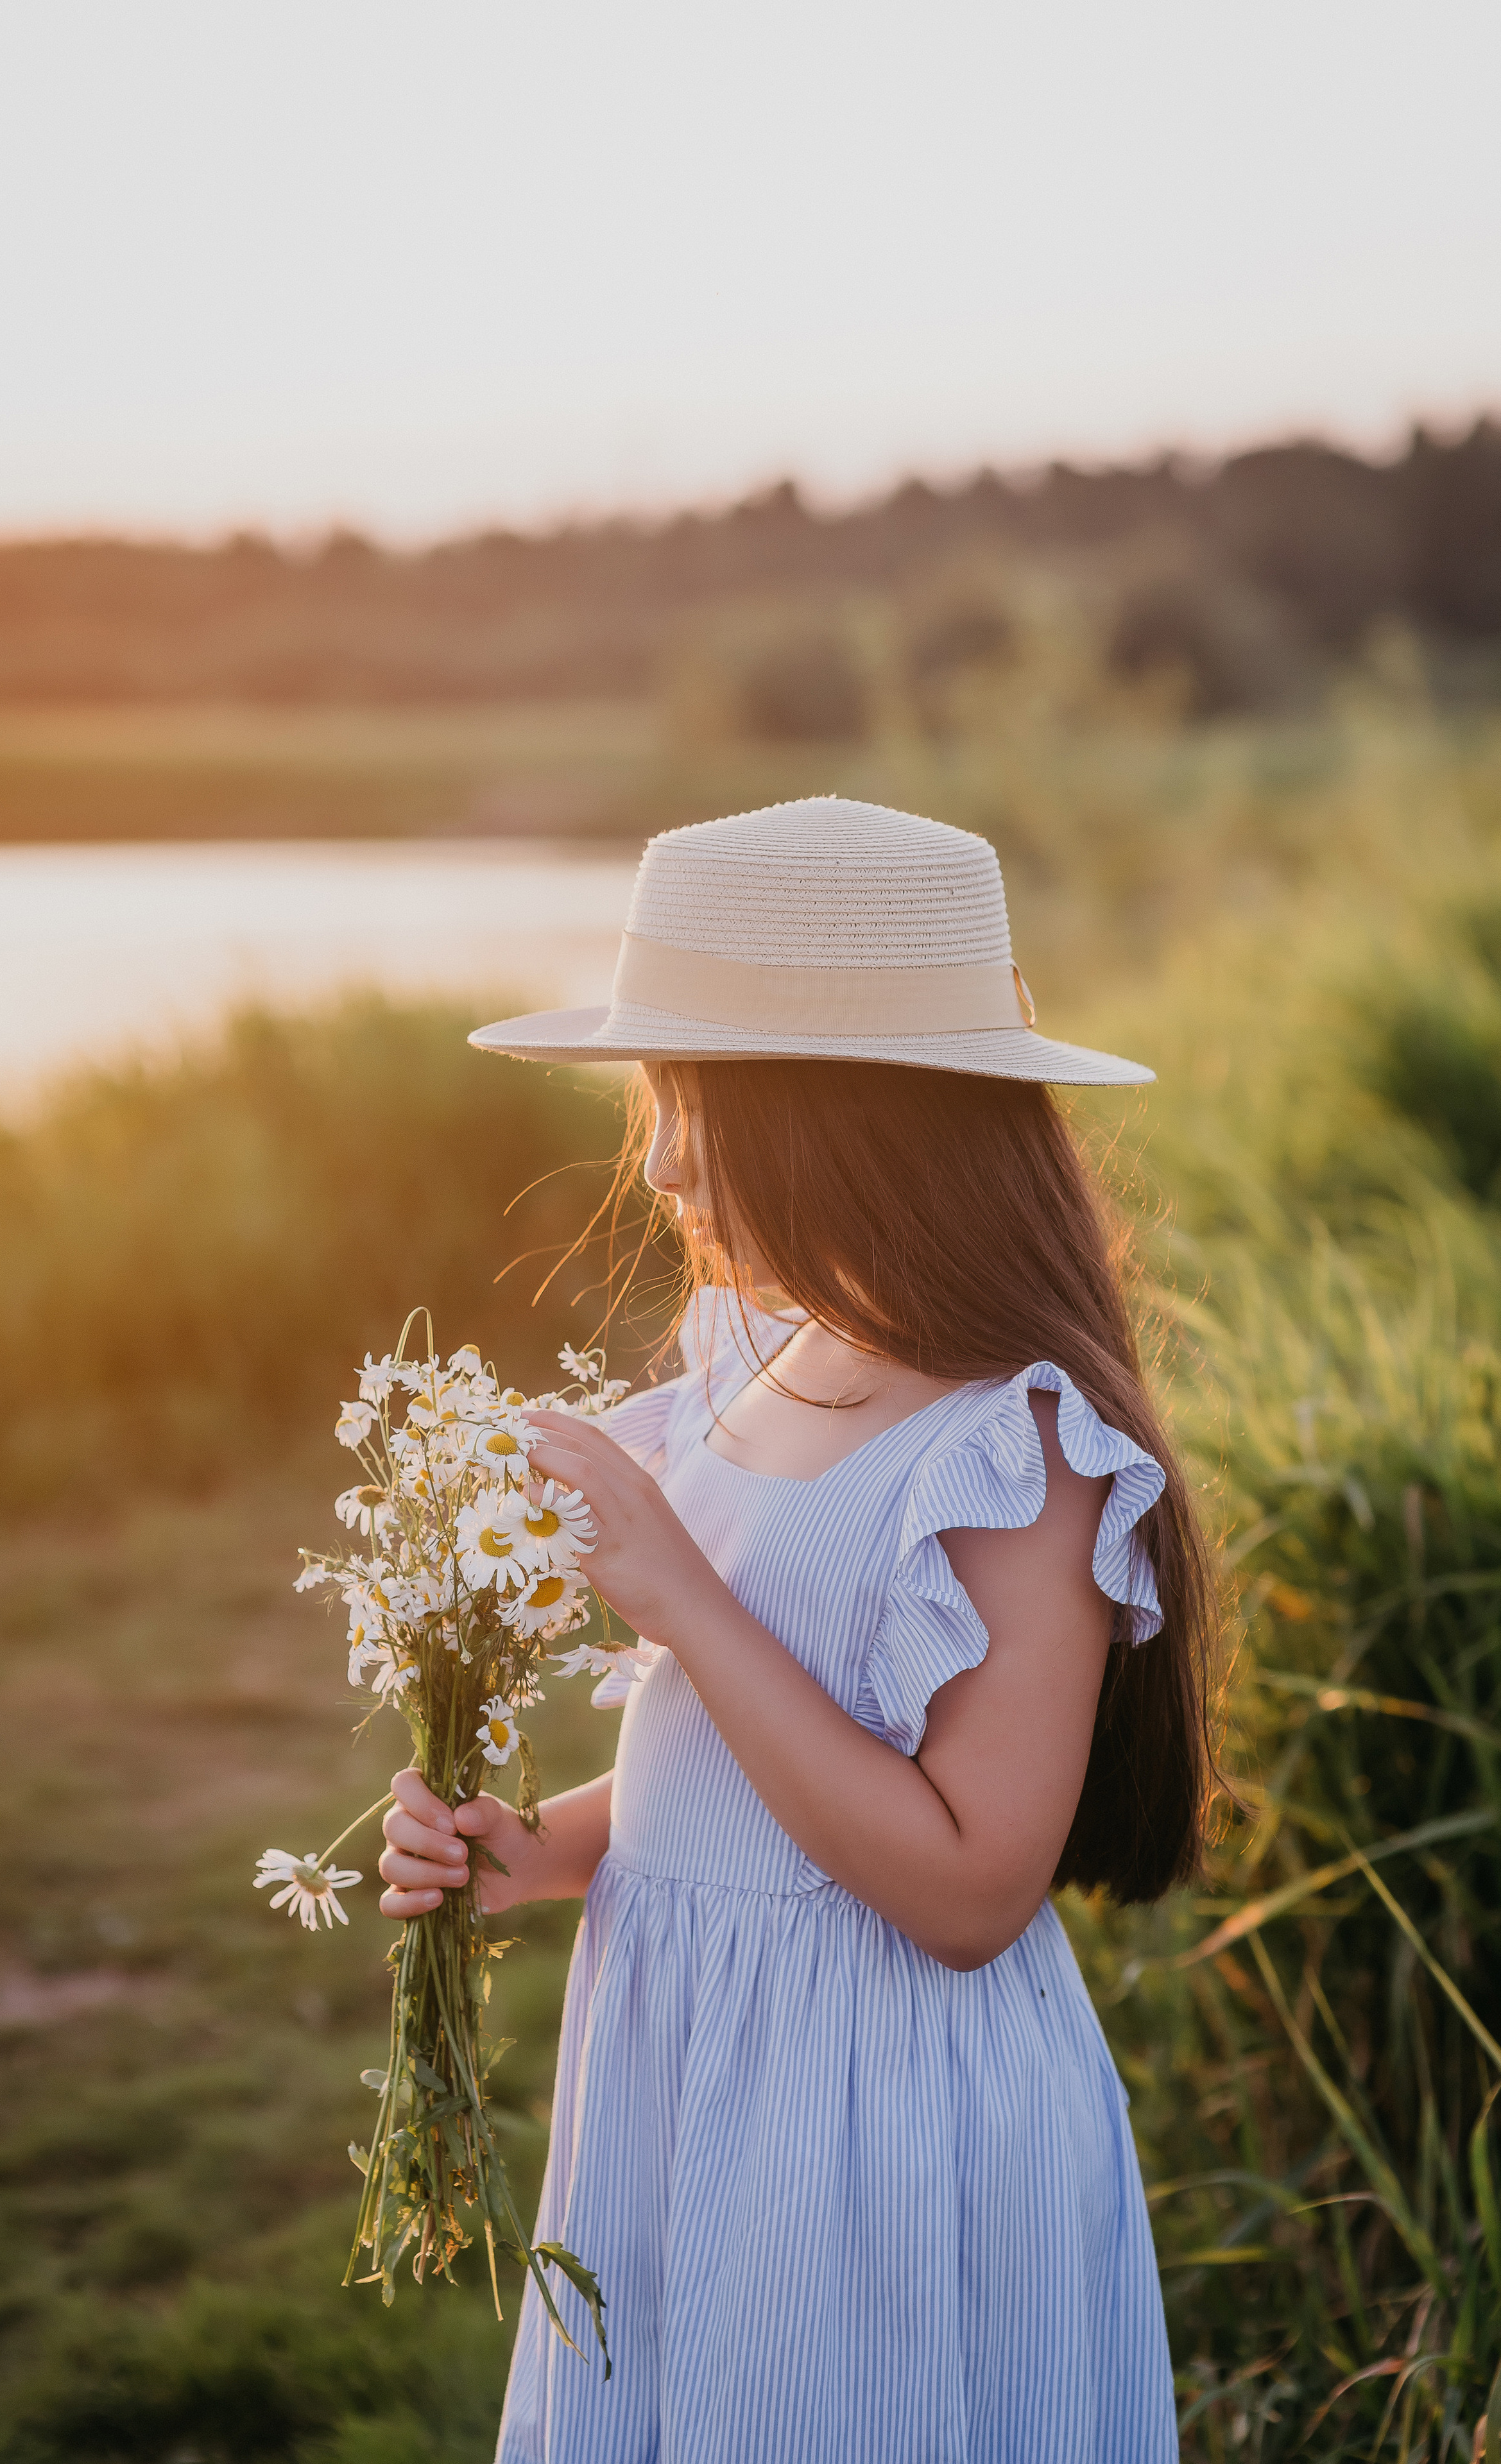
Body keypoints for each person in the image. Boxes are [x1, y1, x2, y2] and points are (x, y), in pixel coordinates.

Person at [377, 798, 1217, 2463]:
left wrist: (676, 1594)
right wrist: (536, 1849)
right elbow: (745, 1752)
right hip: (689, 2061)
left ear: (845, 1126)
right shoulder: (759, 1356)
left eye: (693, 1102)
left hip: (871, 2111)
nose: (660, 1160)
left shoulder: (1014, 1447)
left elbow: (971, 1890)